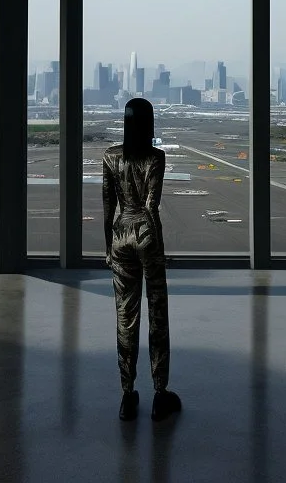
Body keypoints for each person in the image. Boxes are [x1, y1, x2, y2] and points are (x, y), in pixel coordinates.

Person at [102, 97, 181, 422]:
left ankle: (127, 394)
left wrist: (108, 247)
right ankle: (159, 391)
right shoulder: (155, 157)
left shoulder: (110, 156)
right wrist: (157, 248)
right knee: (157, 313)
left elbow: (108, 204)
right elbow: (151, 207)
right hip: (146, 234)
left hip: (120, 234)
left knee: (125, 316)